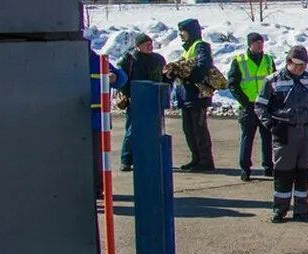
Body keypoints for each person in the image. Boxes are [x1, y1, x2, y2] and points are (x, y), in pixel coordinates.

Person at [256, 45, 308, 223]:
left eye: (303, 65)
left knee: (303, 170)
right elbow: (260, 106)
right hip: (284, 131)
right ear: (289, 62)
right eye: (297, 65)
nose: (301, 68)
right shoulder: (273, 81)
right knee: (283, 171)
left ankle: (301, 210)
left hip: (306, 130)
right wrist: (272, 125)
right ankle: (280, 209)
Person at [164, 18, 215, 172]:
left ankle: (205, 160)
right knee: (189, 130)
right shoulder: (189, 48)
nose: (180, 34)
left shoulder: (200, 46)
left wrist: (189, 77)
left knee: (199, 130)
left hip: (196, 96)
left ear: (191, 31)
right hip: (186, 97)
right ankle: (196, 158)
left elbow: (203, 65)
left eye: (183, 31)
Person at [228, 32, 276, 181]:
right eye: (256, 42)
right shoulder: (239, 60)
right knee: (247, 138)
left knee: (267, 137)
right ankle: (245, 168)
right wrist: (244, 102)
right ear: (250, 44)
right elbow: (233, 84)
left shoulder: (268, 59)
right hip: (248, 106)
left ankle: (268, 166)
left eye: (261, 42)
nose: (259, 45)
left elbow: (274, 80)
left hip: (265, 104)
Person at [116, 33, 165, 172]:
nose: (150, 46)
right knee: (132, 130)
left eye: (151, 43)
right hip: (136, 100)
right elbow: (122, 79)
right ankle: (126, 160)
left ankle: (149, 158)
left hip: (155, 98)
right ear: (138, 46)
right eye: (146, 44)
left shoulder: (158, 59)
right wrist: (129, 94)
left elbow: (164, 77)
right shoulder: (129, 60)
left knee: (155, 131)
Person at [89, 48, 127, 197]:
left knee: (97, 158)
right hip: (74, 119)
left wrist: (115, 77)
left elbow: (121, 78)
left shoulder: (97, 61)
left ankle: (97, 188)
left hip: (97, 120)